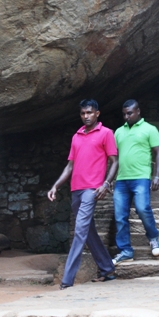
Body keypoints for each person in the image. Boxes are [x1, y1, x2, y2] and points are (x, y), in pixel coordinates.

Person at [47, 99, 119, 289]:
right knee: (88, 232)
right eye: (83, 113)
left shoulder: (106, 133)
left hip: (92, 190)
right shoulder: (76, 136)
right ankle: (107, 268)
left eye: (89, 113)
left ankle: (67, 280)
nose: (86, 116)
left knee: (79, 230)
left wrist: (106, 184)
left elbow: (114, 162)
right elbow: (70, 165)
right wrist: (55, 186)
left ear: (97, 113)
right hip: (76, 189)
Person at [111, 100, 159, 266]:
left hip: (141, 177)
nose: (127, 116)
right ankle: (125, 251)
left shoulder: (150, 129)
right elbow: (115, 158)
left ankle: (153, 237)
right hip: (121, 179)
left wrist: (157, 176)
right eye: (124, 114)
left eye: (130, 113)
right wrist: (110, 179)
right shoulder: (118, 132)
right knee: (120, 217)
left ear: (138, 111)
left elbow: (158, 154)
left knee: (142, 209)